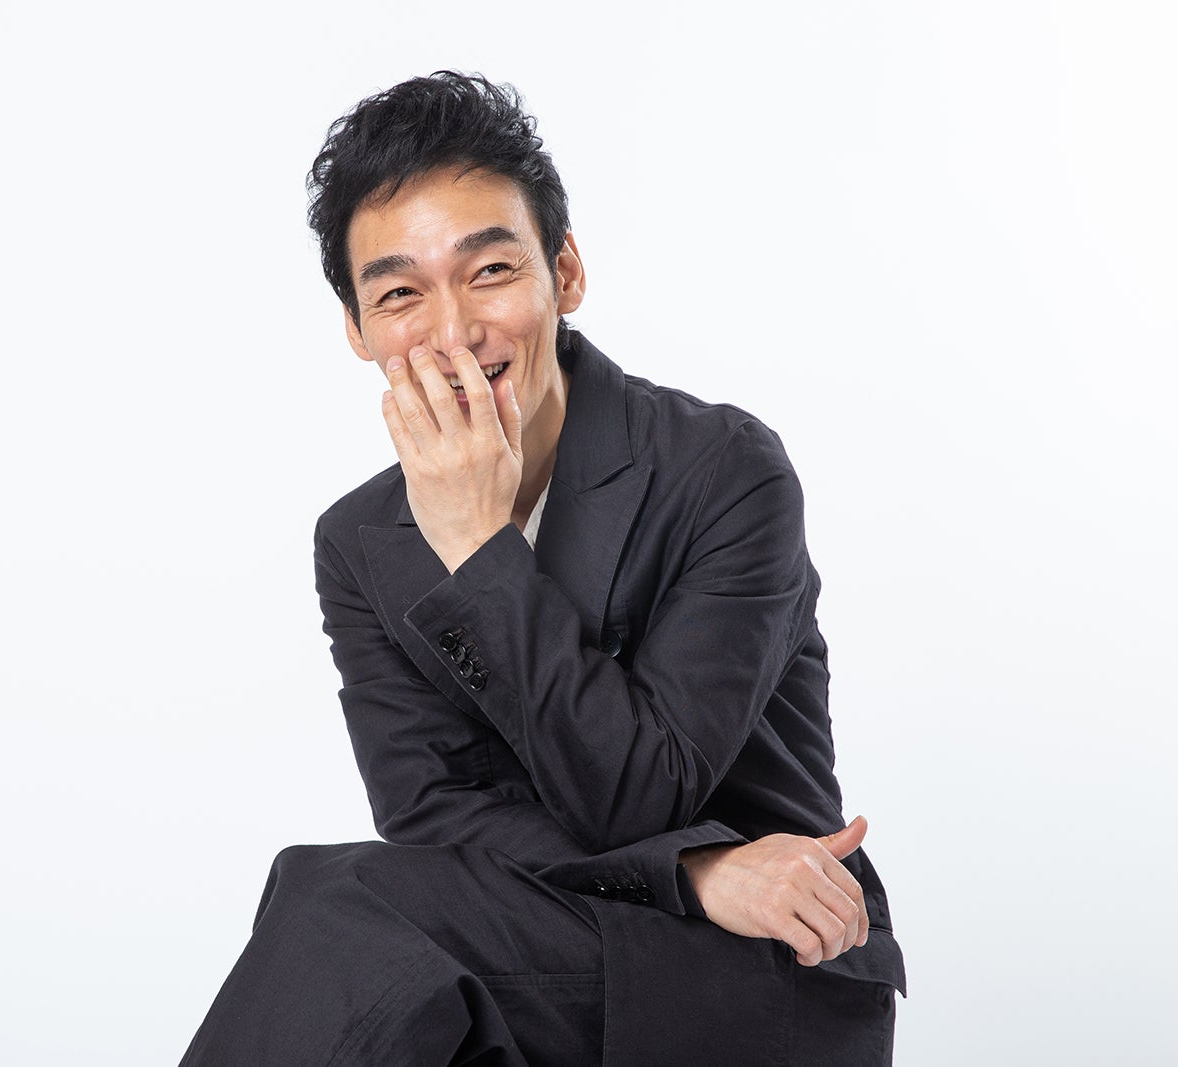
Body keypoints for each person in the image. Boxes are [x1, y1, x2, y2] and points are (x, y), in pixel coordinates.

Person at [180, 71, 905, 1066]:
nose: (452, 333)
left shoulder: (724, 470)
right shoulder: (359, 538)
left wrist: (478, 546)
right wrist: (695, 870)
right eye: (399, 294)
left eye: (488, 271)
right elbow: (433, 816)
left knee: (339, 900)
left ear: (563, 272)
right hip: (555, 940)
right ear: (357, 329)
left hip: (763, 958)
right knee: (366, 943)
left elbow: (642, 791)